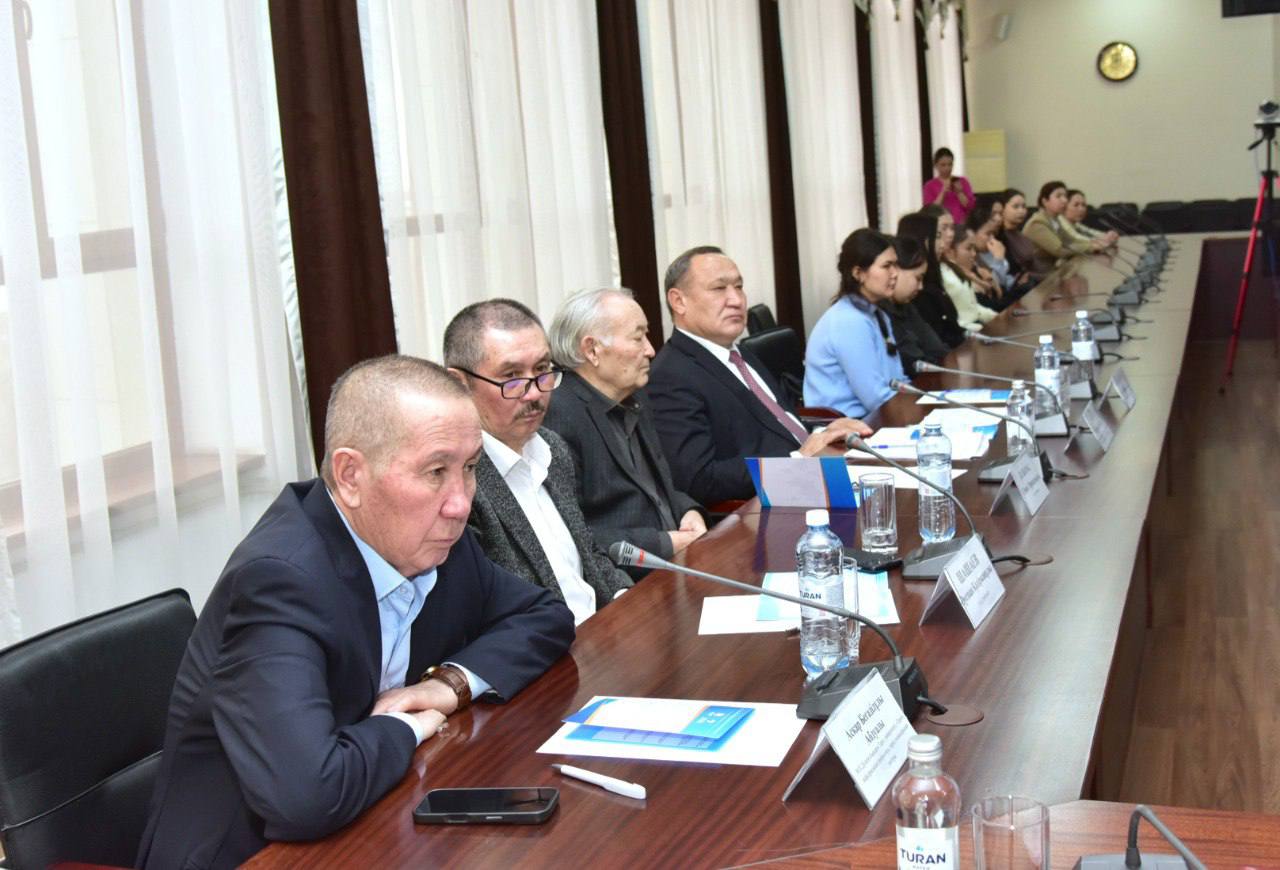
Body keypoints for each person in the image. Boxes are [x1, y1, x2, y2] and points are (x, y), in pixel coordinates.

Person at [137, 356, 575, 869]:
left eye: (470, 468)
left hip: (376, 818)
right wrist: (408, 727)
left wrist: (450, 685)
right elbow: (307, 794)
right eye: (435, 472)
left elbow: (545, 614)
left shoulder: (436, 542)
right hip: (251, 856)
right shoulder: (278, 581)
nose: (460, 503)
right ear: (350, 476)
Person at [444, 300, 633, 625]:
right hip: (550, 648)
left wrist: (626, 600)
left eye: (543, 369)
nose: (534, 393)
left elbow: (587, 556)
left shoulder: (551, 447)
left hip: (604, 630)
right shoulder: (457, 482)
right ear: (460, 384)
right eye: (511, 376)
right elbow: (488, 616)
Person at [646, 246, 870, 505]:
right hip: (770, 506)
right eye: (719, 288)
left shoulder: (740, 353)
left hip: (813, 477)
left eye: (739, 287)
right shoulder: (670, 375)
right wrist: (796, 461)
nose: (736, 300)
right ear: (678, 301)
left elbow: (776, 427)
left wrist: (825, 431)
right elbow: (698, 478)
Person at [544, 287, 706, 561]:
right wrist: (664, 543)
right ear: (592, 349)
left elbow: (655, 490)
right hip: (631, 577)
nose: (651, 350)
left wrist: (688, 511)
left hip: (680, 557)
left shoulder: (634, 396)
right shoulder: (559, 416)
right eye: (638, 338)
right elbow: (571, 536)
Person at [804, 229, 908, 417]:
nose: (895, 273)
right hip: (846, 425)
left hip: (875, 417)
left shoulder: (877, 314)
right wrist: (916, 411)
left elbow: (898, 381)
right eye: (887, 266)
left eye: (896, 265)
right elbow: (875, 398)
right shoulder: (848, 321)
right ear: (858, 273)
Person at [896, 212, 968, 348]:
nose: (943, 244)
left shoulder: (933, 277)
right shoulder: (913, 293)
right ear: (923, 240)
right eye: (937, 237)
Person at [881, 235, 950, 376]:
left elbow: (937, 349)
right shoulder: (880, 312)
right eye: (918, 278)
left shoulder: (906, 306)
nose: (920, 287)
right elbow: (913, 362)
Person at [1023, 180, 1105, 273]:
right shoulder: (1037, 223)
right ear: (1045, 201)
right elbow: (1060, 250)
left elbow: (1070, 240)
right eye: (1058, 196)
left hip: (1052, 270)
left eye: (1065, 196)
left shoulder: (1054, 220)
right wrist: (1091, 247)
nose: (1064, 200)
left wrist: (1095, 244)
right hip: (1039, 274)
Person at [941, 224, 999, 330]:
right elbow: (961, 321)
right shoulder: (944, 275)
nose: (974, 254)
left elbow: (974, 309)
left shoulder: (962, 271)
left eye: (974, 248)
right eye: (968, 248)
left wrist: (997, 318)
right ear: (949, 251)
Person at [994, 187, 1047, 283]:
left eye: (1023, 207)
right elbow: (1018, 274)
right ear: (1002, 209)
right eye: (1015, 207)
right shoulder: (1000, 237)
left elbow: (1036, 265)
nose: (1021, 211)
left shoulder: (1021, 235)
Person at [922, 147, 975, 225]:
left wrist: (960, 193)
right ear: (935, 165)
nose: (947, 168)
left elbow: (971, 207)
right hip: (941, 226)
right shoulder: (929, 186)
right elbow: (930, 211)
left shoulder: (963, 181)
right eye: (943, 165)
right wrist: (943, 192)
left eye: (950, 164)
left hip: (962, 225)